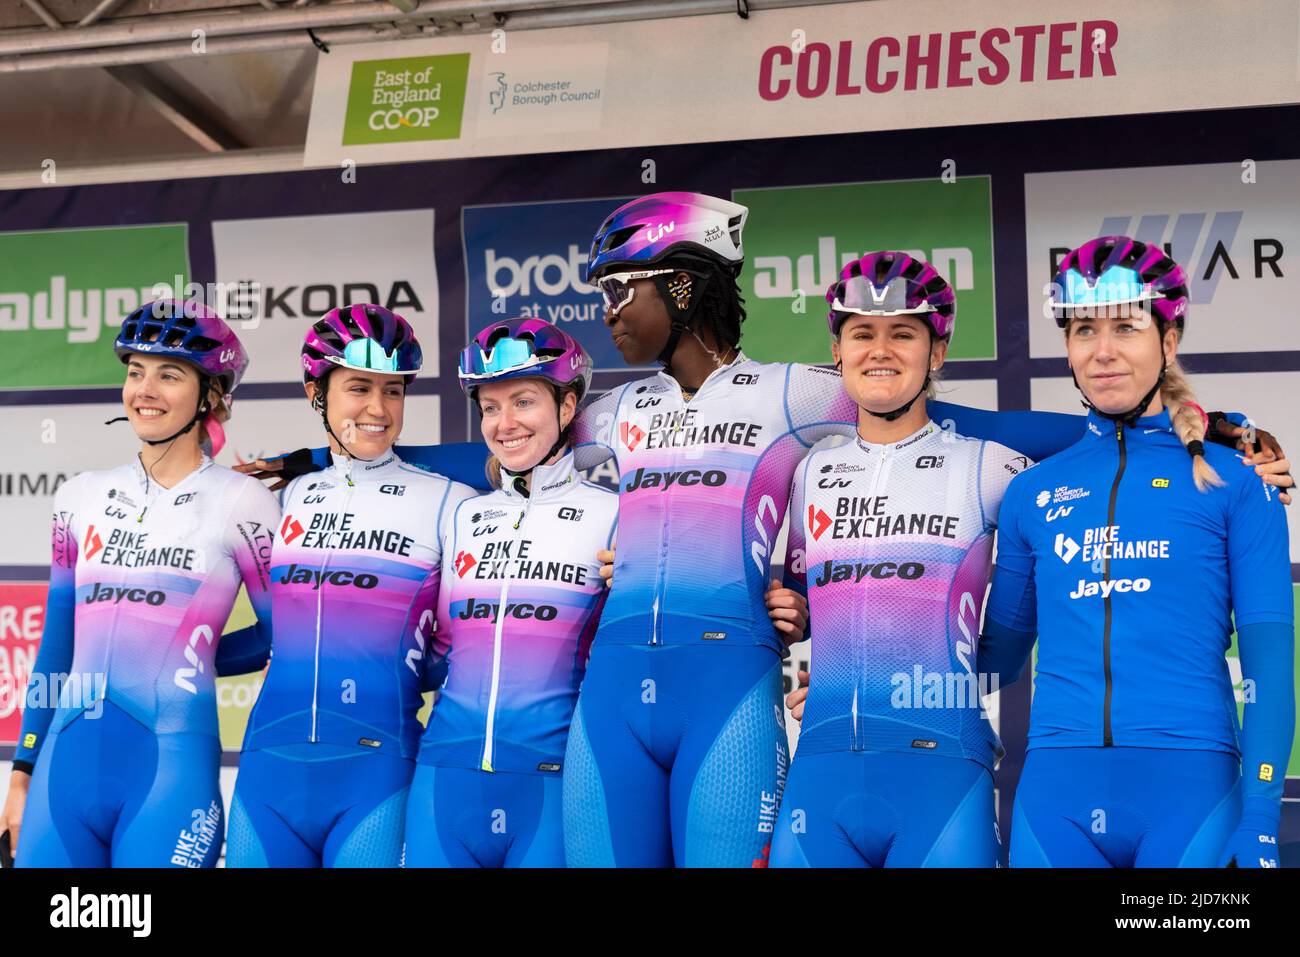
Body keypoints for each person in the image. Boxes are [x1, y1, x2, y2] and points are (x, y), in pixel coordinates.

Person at [244, 193, 1289, 866]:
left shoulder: (799, 395)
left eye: (625, 290)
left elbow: (960, 421)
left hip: (732, 686)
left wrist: (1205, 420)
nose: (609, 311)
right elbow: (492, 457)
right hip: (610, 696)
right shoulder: (609, 413)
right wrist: (316, 461)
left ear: (685, 286)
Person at [981, 236, 1295, 867]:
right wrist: (863, 680)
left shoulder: (1237, 481)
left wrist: (1261, 818)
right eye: (1083, 331)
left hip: (1192, 787)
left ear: (1168, 342)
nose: (1103, 352)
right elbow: (997, 660)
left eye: (1127, 327)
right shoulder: (1030, 492)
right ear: (1065, 347)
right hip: (1054, 792)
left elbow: (1270, 669)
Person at [0, 299, 277, 868]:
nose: (144, 389)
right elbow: (57, 644)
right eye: (135, 372)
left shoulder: (243, 502)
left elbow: (283, 635)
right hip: (62, 768)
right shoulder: (79, 496)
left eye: (169, 374)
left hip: (169, 770)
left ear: (211, 396)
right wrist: (22, 773)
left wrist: (194, 657)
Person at [770, 252, 1022, 867]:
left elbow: (1013, 645)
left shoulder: (990, 466)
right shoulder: (809, 473)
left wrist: (1218, 432)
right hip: (820, 768)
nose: (880, 349)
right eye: (862, 333)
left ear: (936, 354)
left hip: (940, 771)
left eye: (903, 333)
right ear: (837, 350)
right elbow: (802, 605)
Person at [225, 304, 476, 868]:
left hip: (377, 767)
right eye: (358, 387)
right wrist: (172, 656)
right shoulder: (282, 500)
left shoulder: (448, 502)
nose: (378, 409)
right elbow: (269, 638)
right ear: (318, 393)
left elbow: (462, 648)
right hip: (268, 766)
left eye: (393, 391)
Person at [403, 318, 617, 867]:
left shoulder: (613, 514)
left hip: (553, 776)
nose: (505, 423)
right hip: (443, 773)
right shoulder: (463, 516)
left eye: (523, 401)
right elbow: (440, 649)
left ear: (567, 407)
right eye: (490, 407)